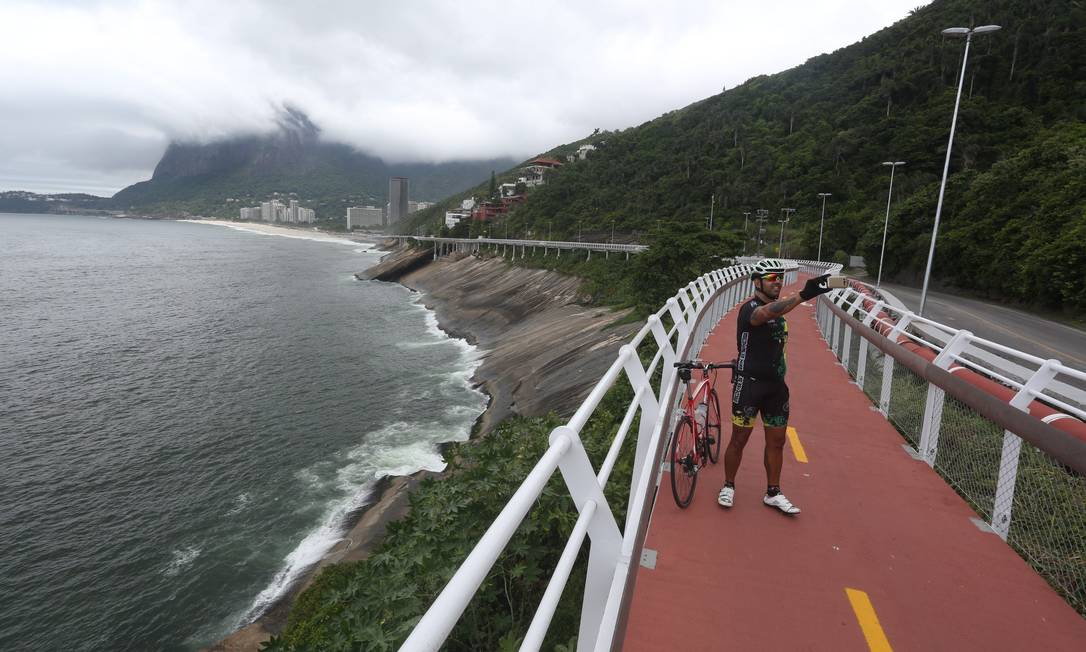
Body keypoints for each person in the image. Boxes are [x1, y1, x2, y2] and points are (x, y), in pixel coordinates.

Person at [717, 259, 830, 514]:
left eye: (780, 277)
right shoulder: (750, 309)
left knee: (777, 442)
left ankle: (773, 492)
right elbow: (765, 315)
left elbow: (778, 311)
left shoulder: (778, 310)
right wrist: (804, 294)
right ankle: (728, 485)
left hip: (776, 388)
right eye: (771, 277)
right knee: (739, 439)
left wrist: (827, 284)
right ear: (757, 282)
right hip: (749, 385)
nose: (777, 281)